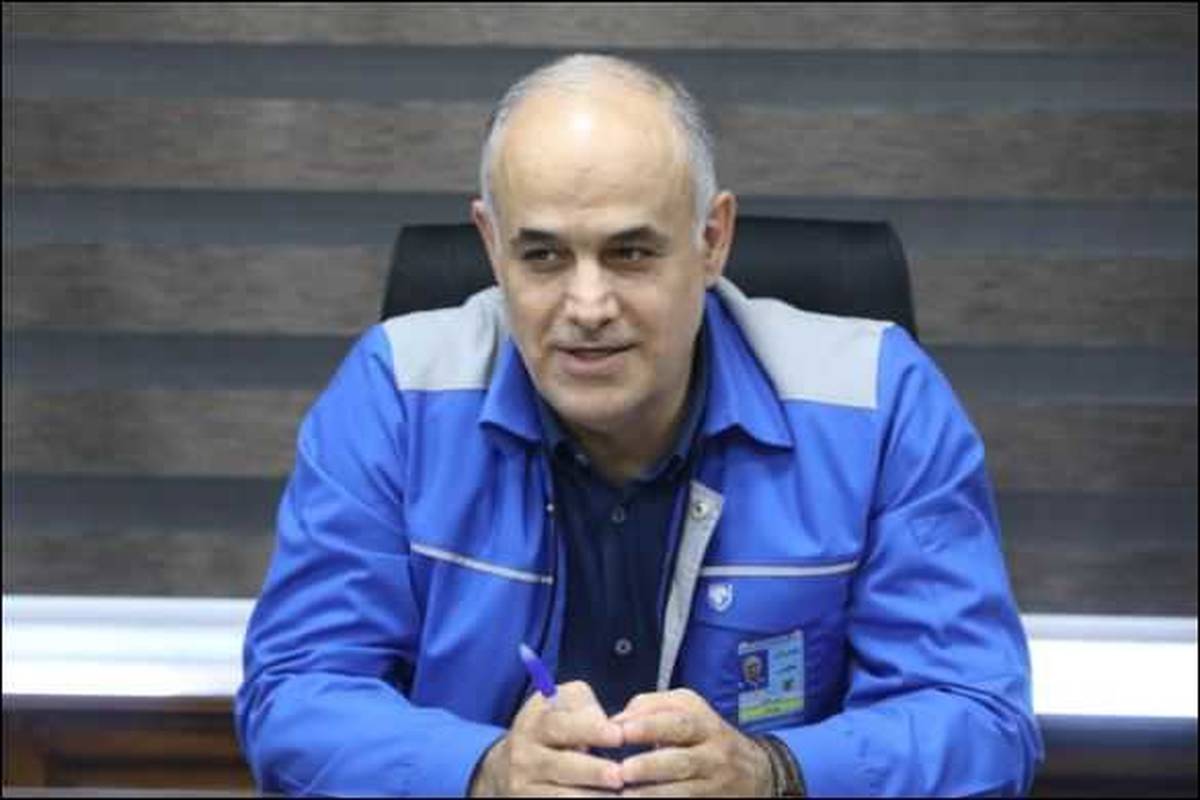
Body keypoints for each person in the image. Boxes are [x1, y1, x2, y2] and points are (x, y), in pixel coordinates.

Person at [236, 53, 1043, 796]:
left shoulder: (878, 400)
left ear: (712, 240)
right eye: (543, 256)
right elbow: (296, 694)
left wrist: (773, 775)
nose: (588, 306)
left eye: (630, 253)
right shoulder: (395, 394)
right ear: (491, 245)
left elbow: (978, 719)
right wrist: (483, 774)